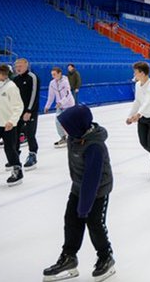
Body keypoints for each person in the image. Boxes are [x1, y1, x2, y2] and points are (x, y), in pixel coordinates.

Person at [43, 105, 115, 282]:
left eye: (67, 125)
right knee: (71, 219)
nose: (64, 129)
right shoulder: (74, 137)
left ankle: (106, 257)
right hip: (78, 185)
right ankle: (69, 257)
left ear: (77, 125)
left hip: (98, 189)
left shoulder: (95, 146)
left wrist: (83, 208)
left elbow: (92, 180)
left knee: (94, 222)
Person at [13, 58, 40, 170]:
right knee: (15, 135)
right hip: (17, 112)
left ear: (26, 66)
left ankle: (32, 154)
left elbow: (34, 94)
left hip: (30, 112)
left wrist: (29, 111)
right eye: (16, 66)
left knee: (30, 134)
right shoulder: (15, 80)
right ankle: (14, 156)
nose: (18, 68)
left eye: (20, 65)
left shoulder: (32, 77)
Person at [44, 67, 76, 149]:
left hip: (69, 105)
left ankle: (74, 137)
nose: (53, 76)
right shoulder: (52, 83)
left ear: (59, 73)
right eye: (52, 75)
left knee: (70, 123)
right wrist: (47, 106)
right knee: (58, 122)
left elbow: (68, 95)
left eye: (54, 74)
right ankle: (63, 138)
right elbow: (51, 96)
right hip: (60, 106)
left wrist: (61, 102)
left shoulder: (65, 82)